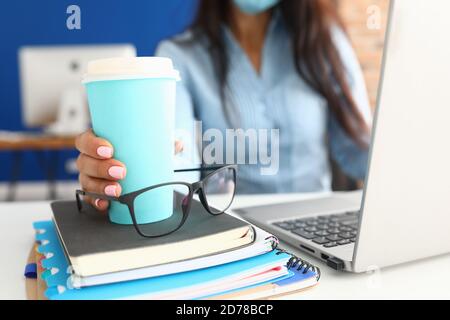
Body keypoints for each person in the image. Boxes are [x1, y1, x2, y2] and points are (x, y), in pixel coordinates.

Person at [75, 0, 372, 211]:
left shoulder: (324, 42)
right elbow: (177, 160)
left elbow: (359, 150)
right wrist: (127, 169)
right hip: (234, 229)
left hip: (316, 222)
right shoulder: (181, 57)